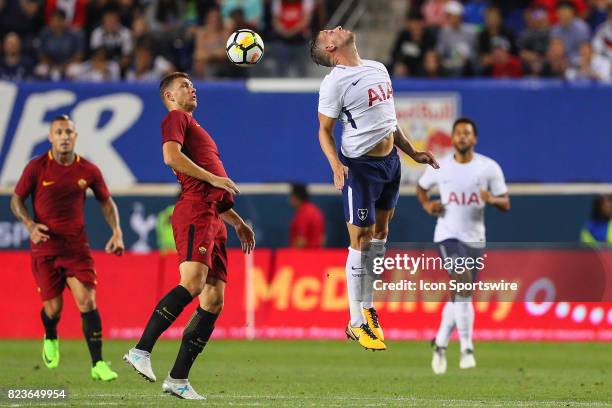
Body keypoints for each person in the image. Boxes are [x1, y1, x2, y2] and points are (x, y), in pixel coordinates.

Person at [124, 72, 256, 400]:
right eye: (184, 86)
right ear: (169, 96)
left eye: (192, 84)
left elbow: (213, 188)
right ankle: (141, 350)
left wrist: (237, 222)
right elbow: (171, 157)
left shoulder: (195, 126)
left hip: (214, 216)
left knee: (213, 300)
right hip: (195, 210)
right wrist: (214, 176)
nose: (192, 88)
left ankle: (178, 378)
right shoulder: (175, 118)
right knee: (193, 283)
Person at [310, 26, 439, 351]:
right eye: (330, 31)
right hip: (360, 168)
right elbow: (324, 131)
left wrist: (412, 153)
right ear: (329, 47)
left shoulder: (377, 68)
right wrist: (336, 166)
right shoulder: (334, 83)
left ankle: (367, 304)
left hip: (390, 164)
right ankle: (355, 323)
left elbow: (389, 122)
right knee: (362, 239)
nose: (337, 28)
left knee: (381, 234)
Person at [10, 114, 124, 381]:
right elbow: (16, 200)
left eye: (68, 132)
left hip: (76, 247)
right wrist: (29, 224)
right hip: (45, 248)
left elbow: (106, 202)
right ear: (50, 137)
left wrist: (116, 231)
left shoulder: (88, 170)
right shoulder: (37, 167)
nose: (64, 136)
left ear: (75, 136)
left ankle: (98, 364)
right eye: (59, 132)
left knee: (87, 301)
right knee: (54, 310)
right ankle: (51, 334)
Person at [417, 117, 510, 375]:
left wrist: (492, 198)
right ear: (452, 138)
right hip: (447, 235)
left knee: (460, 294)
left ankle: (440, 343)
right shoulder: (441, 166)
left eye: (467, 133)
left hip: (475, 239)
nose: (462, 137)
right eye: (458, 133)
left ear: (474, 138)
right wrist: (427, 206)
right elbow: (421, 188)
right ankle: (467, 347)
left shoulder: (488, 168)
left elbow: (506, 204)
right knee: (462, 281)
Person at [289, 183, 325, 248]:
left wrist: (292, 255)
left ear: (295, 197)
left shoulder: (304, 214)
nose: (289, 200)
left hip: (305, 255)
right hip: (317, 254)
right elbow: (322, 239)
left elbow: (301, 241)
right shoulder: (315, 210)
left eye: (291, 197)